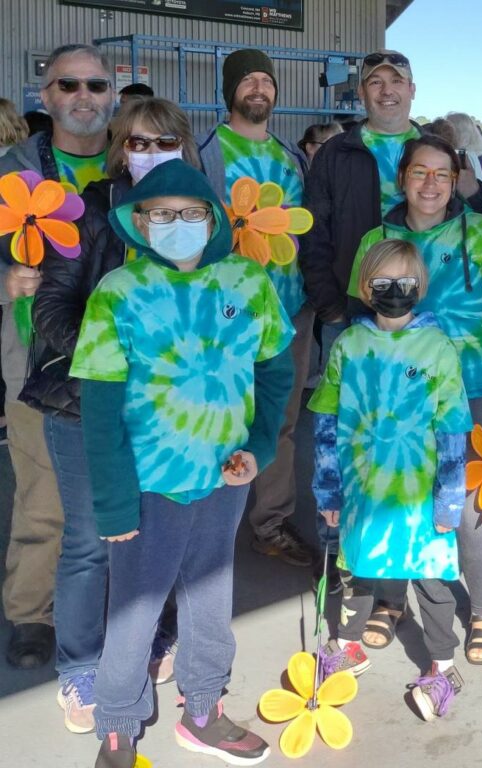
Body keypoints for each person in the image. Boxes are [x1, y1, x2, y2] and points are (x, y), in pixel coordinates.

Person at [70, 159, 293, 768]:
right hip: (150, 484)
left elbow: (276, 373)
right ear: (139, 222)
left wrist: (262, 446)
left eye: (190, 214)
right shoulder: (118, 293)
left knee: (212, 598)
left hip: (225, 477)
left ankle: (203, 711)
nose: (176, 224)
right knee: (136, 609)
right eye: (161, 214)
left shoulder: (249, 283)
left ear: (213, 219)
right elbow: (100, 406)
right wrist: (114, 500)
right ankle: (116, 728)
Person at [24, 97, 196, 734]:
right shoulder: (92, 210)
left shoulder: (200, 213)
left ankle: (150, 637)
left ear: (185, 146)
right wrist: (111, 362)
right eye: (139, 142)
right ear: (121, 149)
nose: (151, 153)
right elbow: (53, 306)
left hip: (172, 415)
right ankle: (80, 666)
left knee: (157, 538)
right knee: (91, 543)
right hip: (83, 405)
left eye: (165, 141)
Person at [343, 134, 482, 662]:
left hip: (479, 387)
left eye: (441, 174)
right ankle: (390, 598)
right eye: (419, 172)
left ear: (457, 180)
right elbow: (364, 314)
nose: (430, 183)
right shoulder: (377, 236)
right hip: (397, 392)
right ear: (402, 178)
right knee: (394, 491)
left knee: (472, 505)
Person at [310, 237, 473, 721]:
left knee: (431, 578)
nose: (395, 290)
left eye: (405, 281)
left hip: (420, 492)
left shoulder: (439, 347)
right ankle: (347, 645)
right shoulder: (348, 345)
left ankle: (442, 670)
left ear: (420, 285)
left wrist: (449, 497)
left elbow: (452, 426)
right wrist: (327, 488)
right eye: (383, 282)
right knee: (357, 568)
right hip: (363, 491)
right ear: (365, 286)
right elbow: (325, 421)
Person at [0, 43, 114, 670]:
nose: (82, 97)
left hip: (124, 365)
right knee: (43, 497)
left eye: (96, 86)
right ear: (45, 97)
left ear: (112, 96)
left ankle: (113, 603)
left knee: (120, 493)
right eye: (67, 85)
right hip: (35, 363)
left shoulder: (135, 167)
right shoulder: (10, 174)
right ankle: (31, 613)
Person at [299, 49, 420, 593]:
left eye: (397, 81)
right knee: (344, 435)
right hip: (350, 316)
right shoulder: (338, 153)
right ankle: (342, 551)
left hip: (422, 322)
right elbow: (314, 232)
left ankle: (407, 545)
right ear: (362, 93)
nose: (386, 90)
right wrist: (330, 305)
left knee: (411, 432)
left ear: (412, 90)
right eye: (375, 82)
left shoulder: (434, 147)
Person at [197, 48, 314, 569]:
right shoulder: (202, 154)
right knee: (216, 417)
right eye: (248, 81)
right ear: (230, 92)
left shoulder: (294, 157)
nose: (259, 89)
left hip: (289, 313)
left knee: (280, 422)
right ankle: (206, 525)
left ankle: (270, 523)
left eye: (266, 80)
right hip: (225, 316)